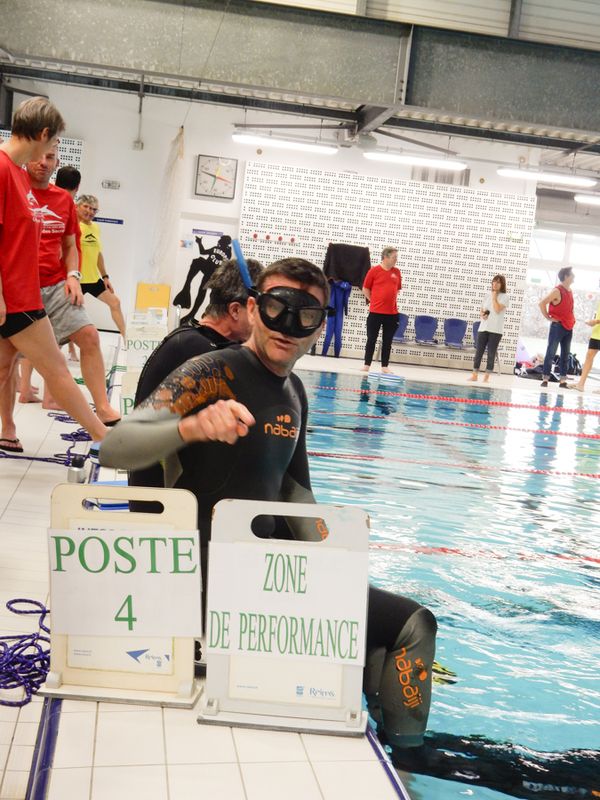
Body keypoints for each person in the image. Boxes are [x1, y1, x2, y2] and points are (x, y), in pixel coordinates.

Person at [0, 96, 107, 451]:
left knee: (7, 369)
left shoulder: (16, 172)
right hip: (15, 298)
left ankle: (100, 433)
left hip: (22, 292)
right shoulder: (3, 169)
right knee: (56, 369)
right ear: (43, 133)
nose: (50, 154)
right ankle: (103, 436)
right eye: (54, 142)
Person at [129, 256, 264, 500]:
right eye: (257, 310)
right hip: (167, 503)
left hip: (170, 493)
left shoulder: (192, 339)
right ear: (235, 310)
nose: (263, 321)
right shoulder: (196, 350)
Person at [77, 194, 126, 340]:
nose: (90, 211)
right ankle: (69, 348)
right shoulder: (72, 226)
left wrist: (105, 277)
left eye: (94, 209)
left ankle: (126, 339)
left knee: (115, 302)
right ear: (77, 207)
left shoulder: (95, 227)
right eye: (86, 207)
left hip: (93, 279)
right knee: (70, 315)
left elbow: (98, 254)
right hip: (76, 280)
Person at [362, 247, 401, 374]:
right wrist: (373, 300)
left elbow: (397, 290)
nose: (396, 260)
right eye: (394, 257)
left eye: (396, 257)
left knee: (387, 341)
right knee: (371, 339)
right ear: (385, 257)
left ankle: (385, 366)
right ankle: (367, 364)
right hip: (375, 313)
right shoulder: (374, 271)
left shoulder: (397, 272)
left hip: (392, 314)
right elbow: (365, 288)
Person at [539, 267, 576, 389]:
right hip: (558, 326)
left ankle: (562, 381)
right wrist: (548, 318)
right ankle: (545, 379)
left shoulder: (570, 290)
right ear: (566, 276)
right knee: (551, 352)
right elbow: (542, 303)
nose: (574, 277)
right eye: (572, 275)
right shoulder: (557, 291)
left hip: (568, 327)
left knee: (565, 354)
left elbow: (569, 308)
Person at [468, 274, 509, 383]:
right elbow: (482, 310)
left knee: (491, 354)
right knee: (479, 353)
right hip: (483, 328)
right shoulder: (487, 295)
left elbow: (497, 309)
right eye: (494, 281)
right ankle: (474, 375)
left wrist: (494, 297)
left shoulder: (505, 297)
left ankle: (486, 378)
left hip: (495, 330)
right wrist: (483, 314)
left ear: (502, 284)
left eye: (498, 282)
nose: (495, 284)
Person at [570, 300, 600, 391]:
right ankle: (581, 384)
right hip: (596, 333)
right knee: (589, 356)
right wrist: (594, 322)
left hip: (597, 328)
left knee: (589, 356)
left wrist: (596, 321)